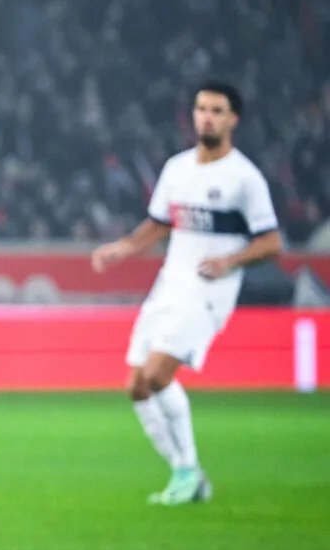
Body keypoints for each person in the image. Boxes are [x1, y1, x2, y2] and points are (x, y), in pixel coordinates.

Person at [92, 83, 282, 505]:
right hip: (170, 283)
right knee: (137, 386)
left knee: (158, 375)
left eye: (217, 110)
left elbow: (271, 242)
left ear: (233, 119)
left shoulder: (244, 178)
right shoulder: (177, 168)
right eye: (201, 108)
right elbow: (160, 223)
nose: (207, 117)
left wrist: (229, 262)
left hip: (209, 292)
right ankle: (186, 471)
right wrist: (122, 247)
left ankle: (187, 470)